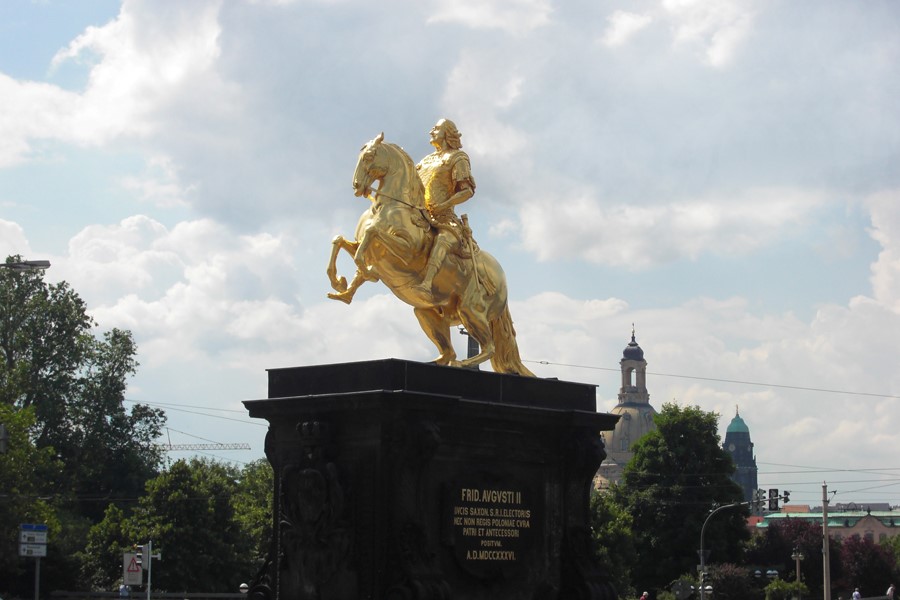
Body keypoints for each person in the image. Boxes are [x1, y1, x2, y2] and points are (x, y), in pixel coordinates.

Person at [413, 118, 476, 294]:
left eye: (436, 128)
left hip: (443, 216)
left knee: (442, 240)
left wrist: (445, 205)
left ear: (447, 133)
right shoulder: (426, 160)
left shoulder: (457, 158)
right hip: (419, 213)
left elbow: (467, 190)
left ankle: (427, 283)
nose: (431, 131)